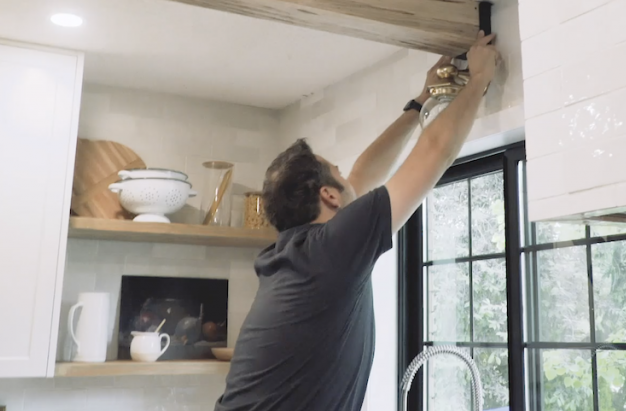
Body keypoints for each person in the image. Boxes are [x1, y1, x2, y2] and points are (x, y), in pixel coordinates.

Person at [214, 32, 501, 411]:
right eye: (336, 172)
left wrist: (422, 100)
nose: (348, 178)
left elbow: (364, 172)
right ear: (328, 196)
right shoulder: (329, 250)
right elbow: (435, 150)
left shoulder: (299, 252)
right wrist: (480, 79)